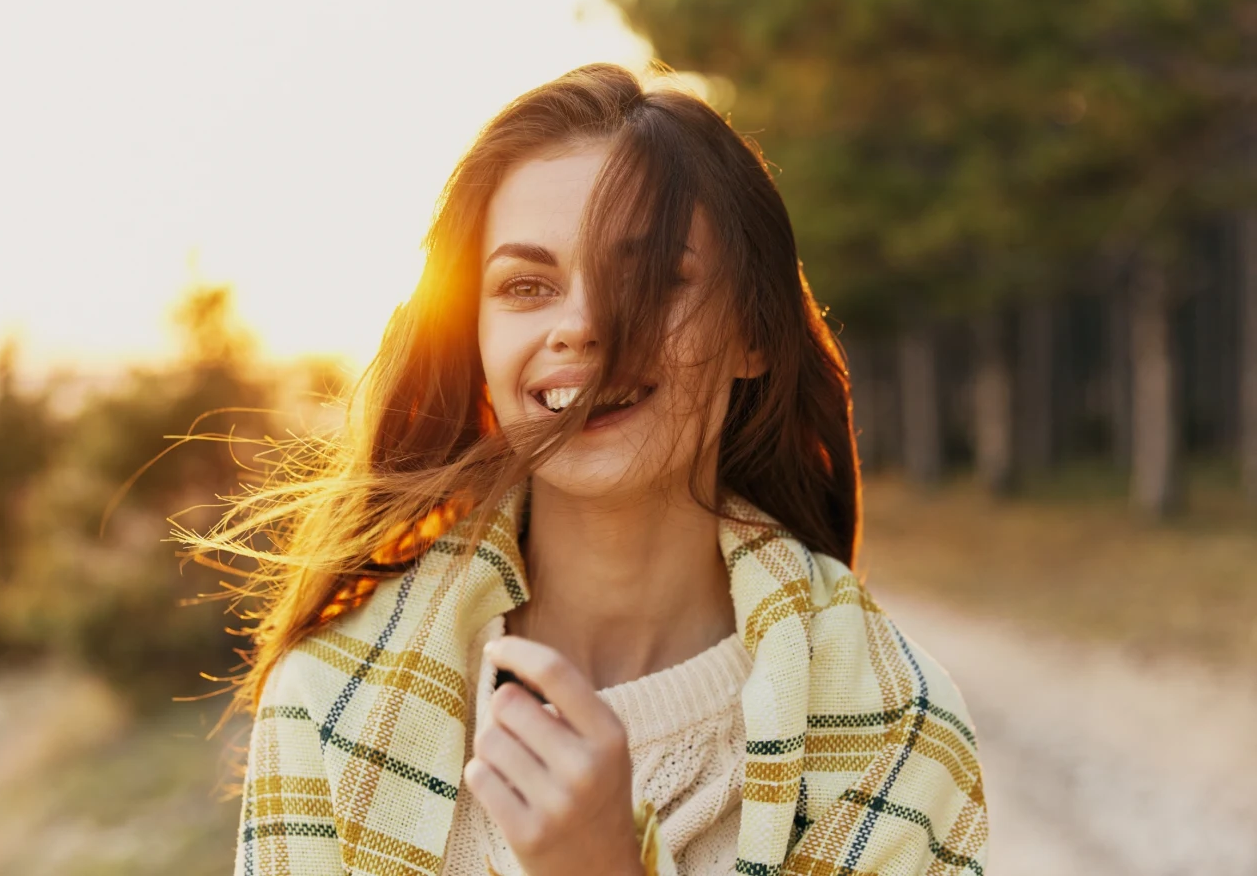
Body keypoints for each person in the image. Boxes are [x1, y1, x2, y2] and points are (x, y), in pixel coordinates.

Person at [195, 63, 989, 876]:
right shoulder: (329, 696)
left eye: (647, 277)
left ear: (753, 330)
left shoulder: (897, 726)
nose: (580, 326)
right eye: (526, 285)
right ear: (477, 346)